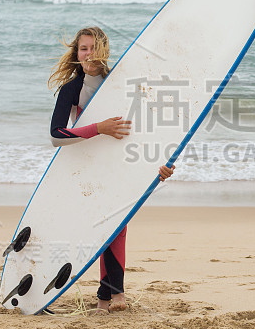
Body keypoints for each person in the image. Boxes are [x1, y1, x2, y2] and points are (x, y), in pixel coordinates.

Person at [48, 26, 174, 314]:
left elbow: (145, 126)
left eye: (94, 47)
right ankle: (104, 296)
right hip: (87, 166)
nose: (89, 53)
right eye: (83, 48)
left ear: (104, 50)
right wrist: (98, 128)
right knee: (95, 227)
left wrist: (163, 162)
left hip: (119, 163)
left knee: (117, 227)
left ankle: (110, 298)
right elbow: (56, 135)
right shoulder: (71, 89)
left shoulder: (121, 83)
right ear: (76, 53)